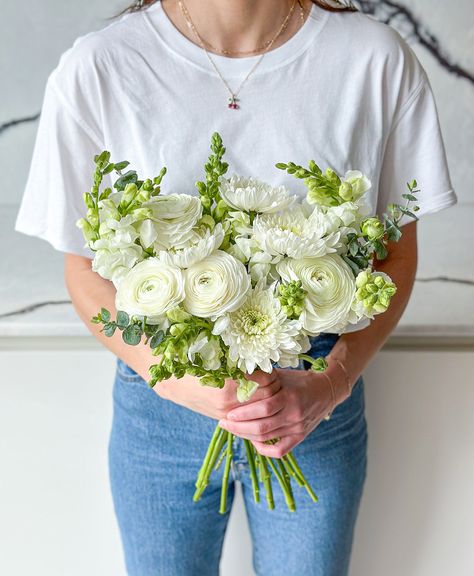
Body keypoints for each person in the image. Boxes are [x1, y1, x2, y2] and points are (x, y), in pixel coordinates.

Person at [14, 1, 457, 574]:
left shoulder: (373, 60)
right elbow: (84, 272)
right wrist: (174, 380)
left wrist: (332, 382)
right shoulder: (101, 66)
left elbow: (394, 255)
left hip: (314, 400)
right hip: (158, 407)